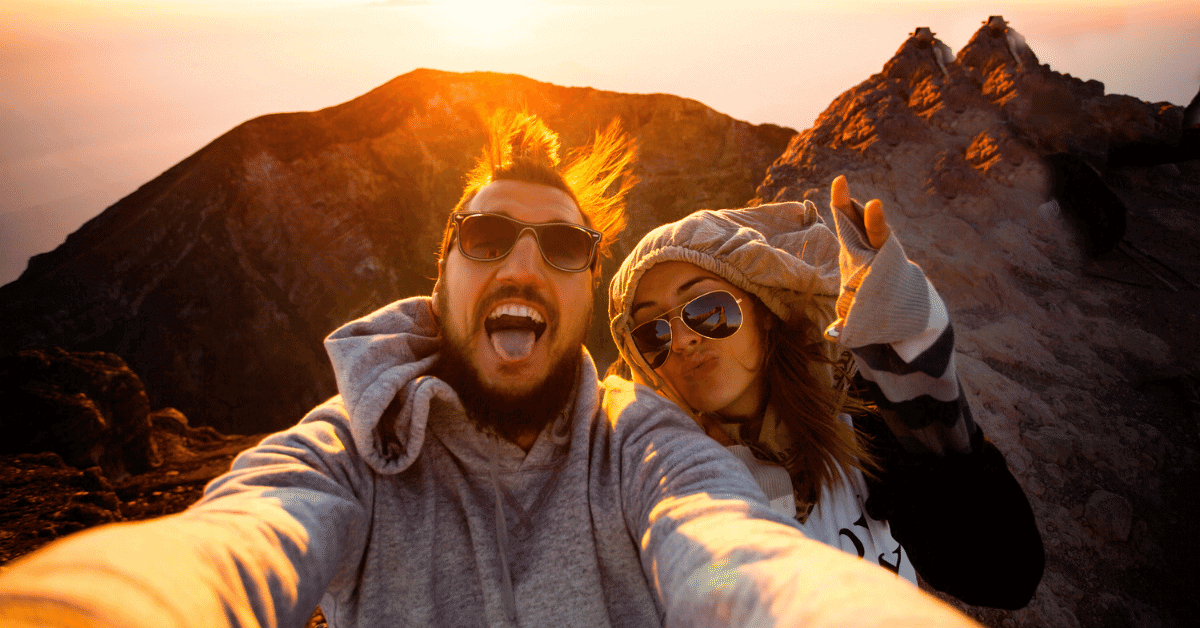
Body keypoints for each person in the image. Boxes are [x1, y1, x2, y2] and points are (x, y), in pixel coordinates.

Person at [0, 112, 983, 628]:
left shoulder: (646, 446)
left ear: (585, 293)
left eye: (561, 249)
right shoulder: (351, 445)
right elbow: (244, 533)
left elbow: (736, 550)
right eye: (488, 234)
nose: (523, 263)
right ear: (443, 273)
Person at [607, 177, 1045, 610]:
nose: (682, 340)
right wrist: (751, 533)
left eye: (706, 310)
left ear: (763, 309)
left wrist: (920, 389)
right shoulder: (672, 478)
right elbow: (692, 585)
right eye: (653, 334)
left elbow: (1005, 576)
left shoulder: (858, 421)